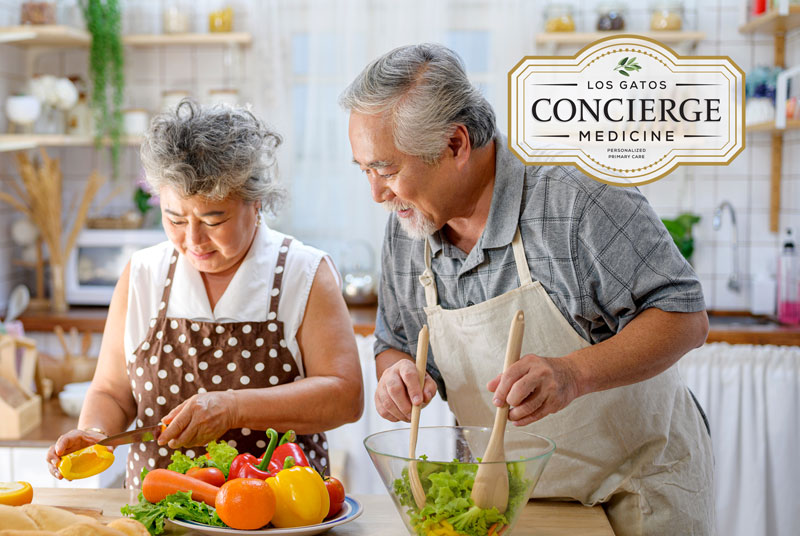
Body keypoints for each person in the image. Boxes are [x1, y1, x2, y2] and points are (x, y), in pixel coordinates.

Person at [340, 44, 714, 535]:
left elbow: (684, 317)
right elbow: (398, 344)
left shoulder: (580, 196)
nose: (377, 194)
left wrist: (572, 375)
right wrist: (396, 374)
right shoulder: (408, 225)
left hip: (632, 495)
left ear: (455, 145)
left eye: (387, 170)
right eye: (365, 170)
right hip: (504, 500)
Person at [47, 100, 364, 487]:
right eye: (175, 219)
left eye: (214, 219)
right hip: (161, 513)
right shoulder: (144, 274)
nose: (193, 240)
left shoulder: (303, 272)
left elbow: (345, 396)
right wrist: (95, 432)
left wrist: (233, 408)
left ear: (256, 202)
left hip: (280, 515)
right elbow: (112, 392)